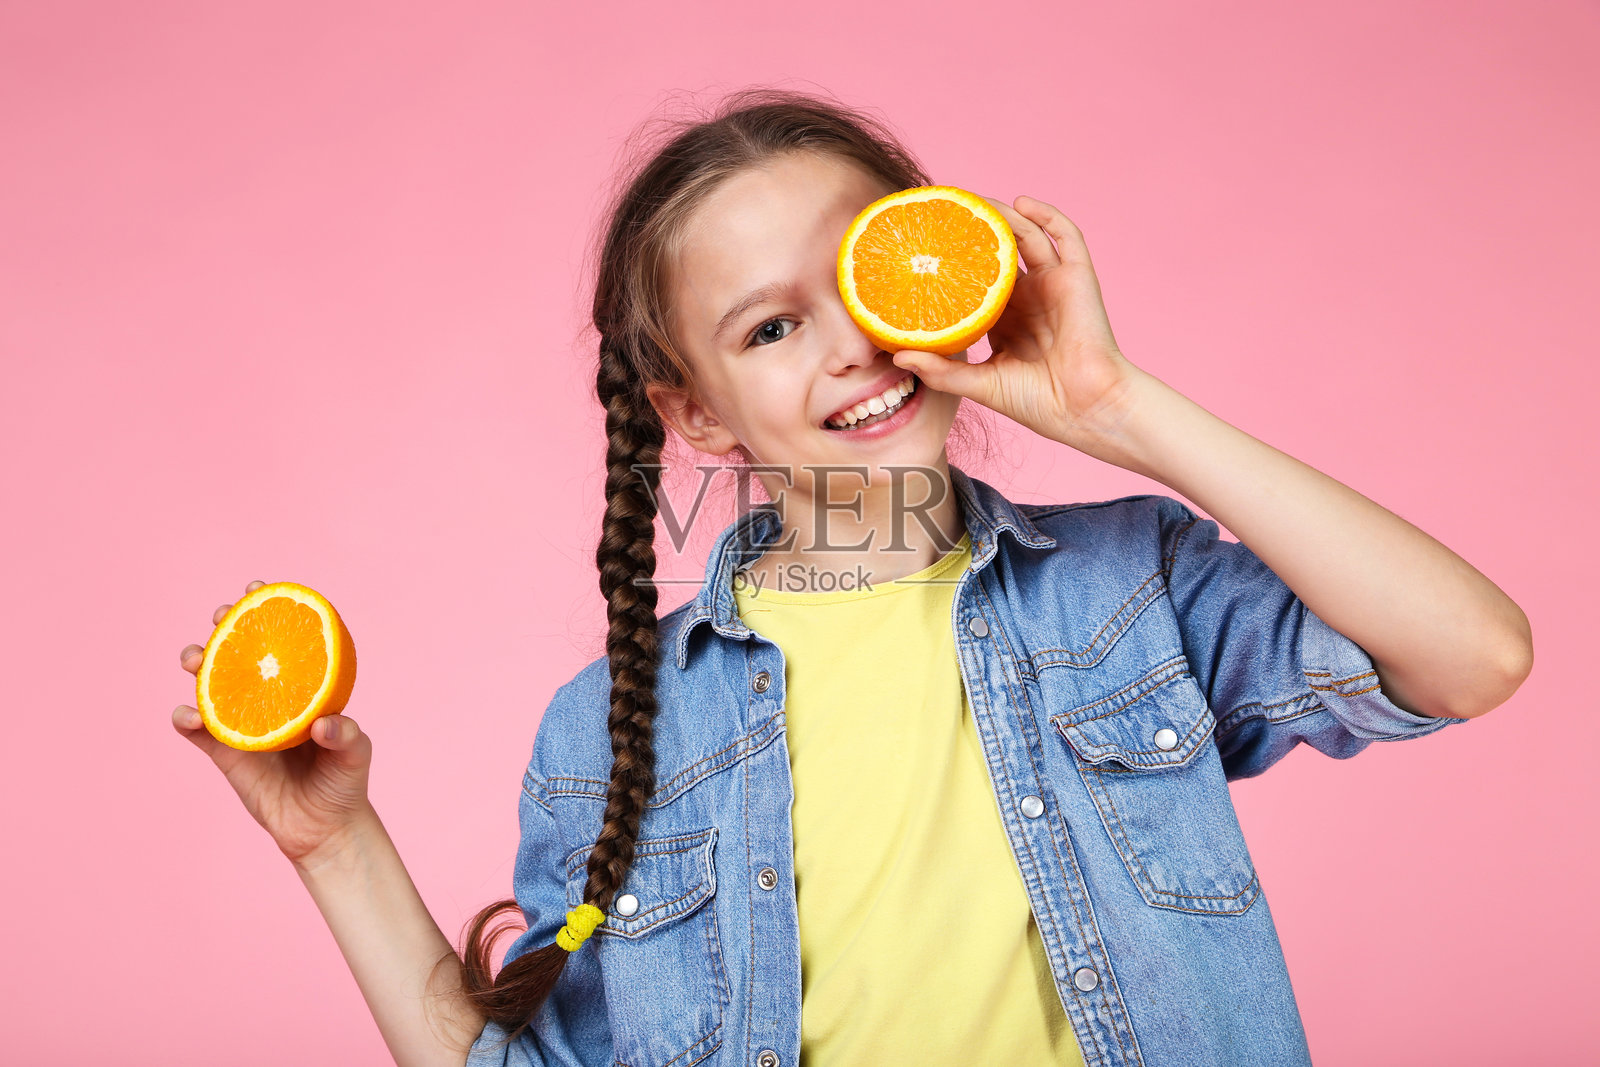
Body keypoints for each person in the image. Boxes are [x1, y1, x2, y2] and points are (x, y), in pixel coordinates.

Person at [172, 87, 1533, 1067]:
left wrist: (1117, 407)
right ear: (695, 416)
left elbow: (1473, 654)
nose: (850, 348)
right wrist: (334, 845)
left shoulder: (1132, 595)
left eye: (869, 275)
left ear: (942, 271)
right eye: (771, 325)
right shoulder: (610, 732)